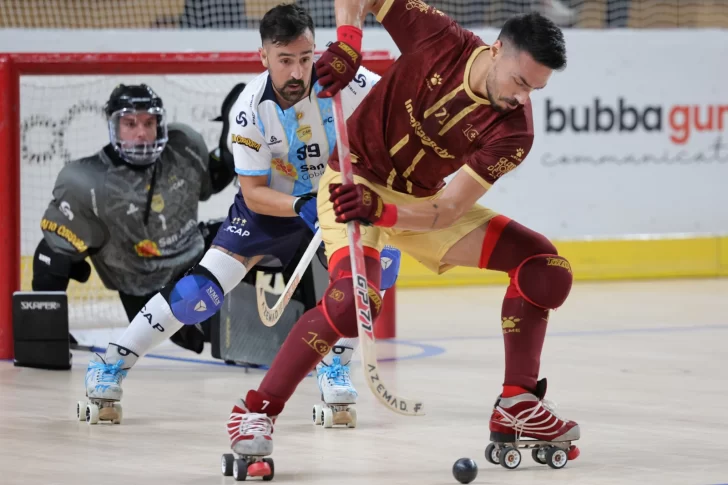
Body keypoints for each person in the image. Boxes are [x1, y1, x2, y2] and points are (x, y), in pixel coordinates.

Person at [227, 0, 580, 470]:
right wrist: (350, 43)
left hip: (417, 205)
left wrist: (387, 211)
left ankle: (517, 401)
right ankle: (256, 413)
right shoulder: (440, 38)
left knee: (545, 269)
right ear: (497, 51)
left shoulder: (516, 130)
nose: (522, 100)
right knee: (352, 305)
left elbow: (449, 208)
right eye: (519, 83)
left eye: (534, 90)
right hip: (353, 184)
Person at [81, 3, 400, 425]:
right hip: (270, 209)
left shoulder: (349, 82)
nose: (297, 72)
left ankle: (334, 364)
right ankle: (113, 364)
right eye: (285, 60)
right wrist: (302, 206)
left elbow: (401, 116)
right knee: (198, 293)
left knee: (372, 277)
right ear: (263, 56)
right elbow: (253, 194)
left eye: (305, 59)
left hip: (335, 201)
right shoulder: (249, 110)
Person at [34, 83, 236, 356]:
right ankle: (44, 337)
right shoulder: (87, 181)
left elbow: (210, 181)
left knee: (243, 230)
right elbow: (52, 256)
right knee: (51, 257)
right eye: (130, 124)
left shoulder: (184, 146)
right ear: (114, 127)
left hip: (194, 261)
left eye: (148, 122)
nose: (141, 133)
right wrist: (48, 327)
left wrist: (230, 146)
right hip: (143, 287)